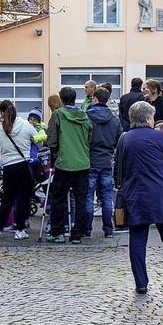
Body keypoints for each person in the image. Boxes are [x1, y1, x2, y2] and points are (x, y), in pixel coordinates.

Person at [119, 101, 163, 293]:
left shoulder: (125, 138)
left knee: (138, 238)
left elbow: (120, 168)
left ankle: (141, 283)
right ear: (149, 119)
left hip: (136, 194)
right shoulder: (158, 137)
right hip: (161, 193)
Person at [46, 87, 92, 244]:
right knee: (81, 199)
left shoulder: (58, 115)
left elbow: (51, 139)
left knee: (58, 198)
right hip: (83, 163)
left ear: (62, 98)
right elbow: (89, 137)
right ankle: (77, 234)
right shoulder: (84, 115)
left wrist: (56, 153)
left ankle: (58, 232)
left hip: (64, 163)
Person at [0, 100, 38, 240]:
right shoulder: (25, 125)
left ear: (1, 112)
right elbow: (38, 141)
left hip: (8, 167)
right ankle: (20, 230)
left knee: (7, 200)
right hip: (24, 165)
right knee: (23, 199)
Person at [85, 87, 122, 238]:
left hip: (90, 159)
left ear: (94, 98)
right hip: (107, 160)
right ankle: (108, 229)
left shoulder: (86, 117)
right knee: (107, 196)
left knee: (88, 196)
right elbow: (119, 140)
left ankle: (87, 229)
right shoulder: (114, 119)